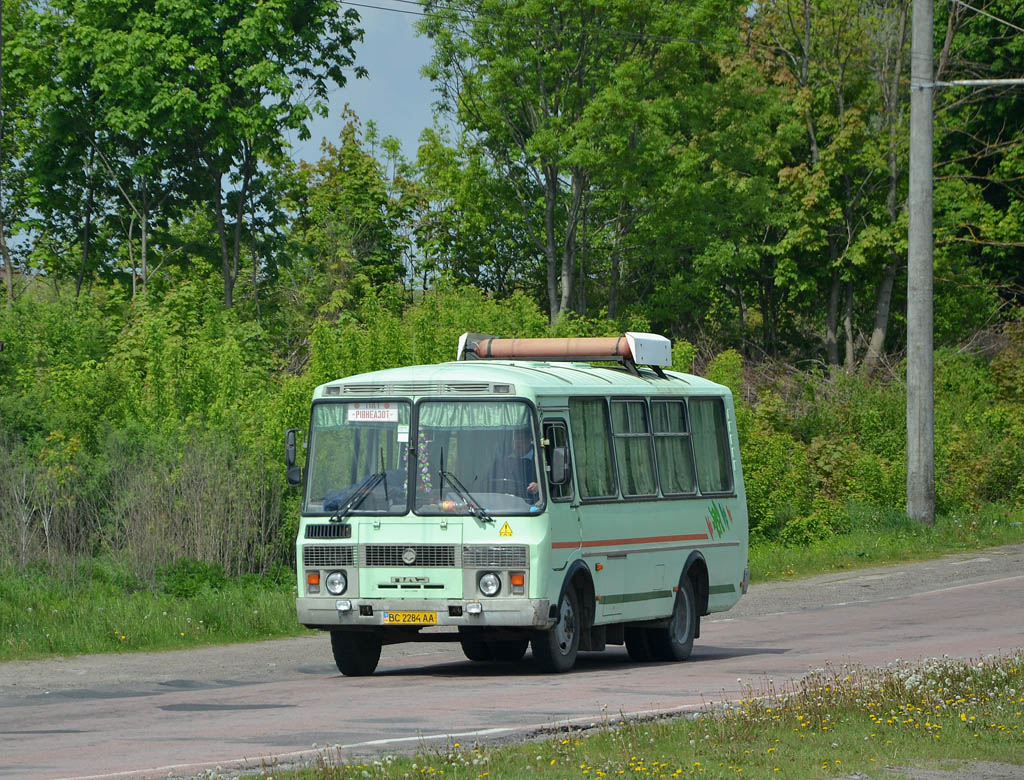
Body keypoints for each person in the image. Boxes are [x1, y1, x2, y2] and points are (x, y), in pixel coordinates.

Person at [511, 429, 539, 502]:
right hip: (507, 503)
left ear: (529, 440)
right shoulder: (503, 460)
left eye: (521, 439)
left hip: (533, 505)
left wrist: (539, 487)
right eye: (516, 439)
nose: (518, 443)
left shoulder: (540, 459)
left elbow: (554, 483)